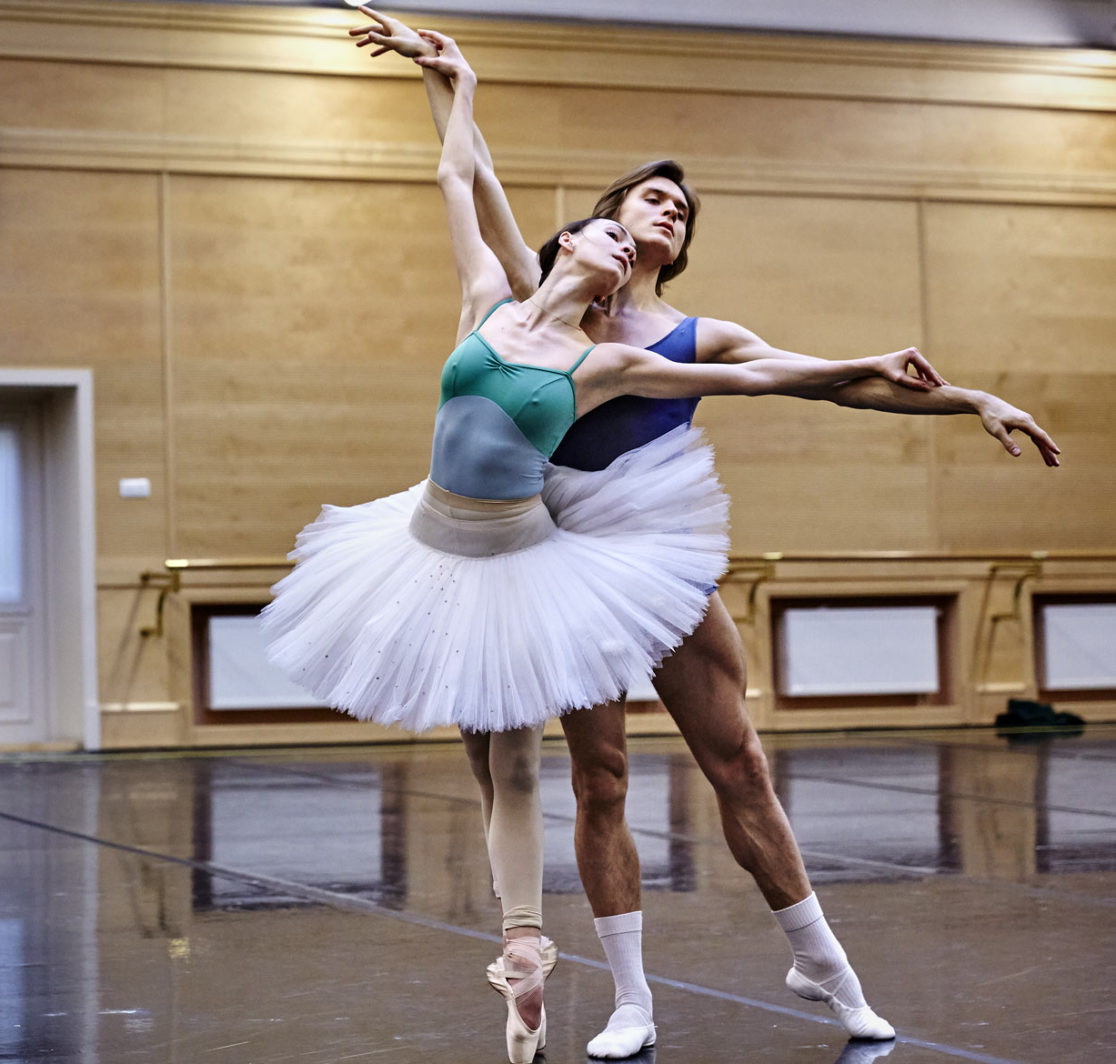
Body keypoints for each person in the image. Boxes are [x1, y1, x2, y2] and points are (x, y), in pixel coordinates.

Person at [347, 7, 1062, 1058]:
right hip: (550, 557)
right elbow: (471, 180)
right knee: (597, 780)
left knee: (736, 764)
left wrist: (970, 398)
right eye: (651, 194)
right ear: (600, 221)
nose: (669, 209)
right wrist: (446, 78)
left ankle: (824, 962)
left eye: (682, 207)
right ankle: (631, 998)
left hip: (649, 550)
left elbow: (834, 383)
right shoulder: (549, 303)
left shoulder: (688, 335)